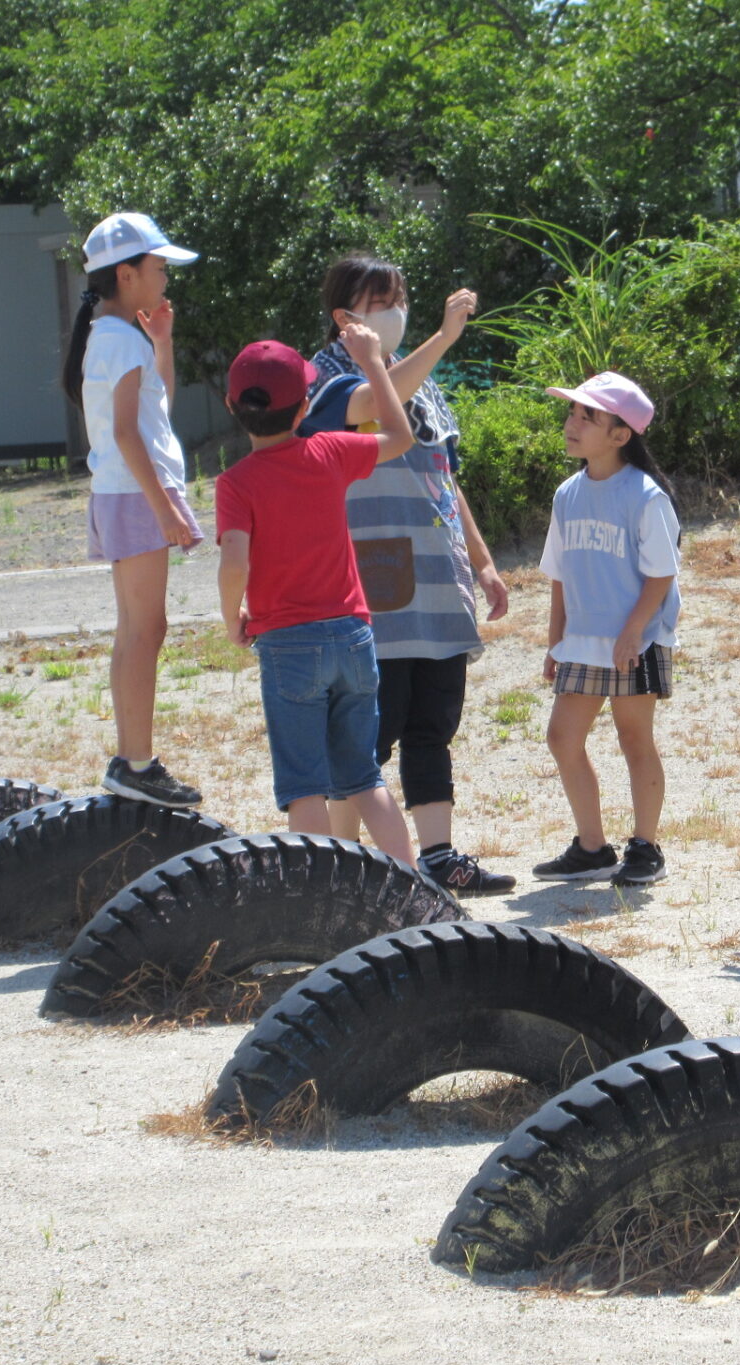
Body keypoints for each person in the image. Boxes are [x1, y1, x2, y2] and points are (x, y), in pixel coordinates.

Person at [298, 255, 514, 894]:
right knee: (368, 734)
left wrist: (482, 561)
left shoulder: (429, 384)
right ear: (345, 316)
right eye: (381, 300)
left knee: (432, 724)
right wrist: (444, 339)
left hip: (437, 586)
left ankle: (439, 857)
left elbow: (444, 478)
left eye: (402, 298)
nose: (398, 311)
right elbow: (377, 397)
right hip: (370, 586)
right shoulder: (327, 376)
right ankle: (343, 866)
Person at [213, 330, 415, 864]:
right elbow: (399, 434)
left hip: (286, 644)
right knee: (364, 778)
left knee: (305, 787)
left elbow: (235, 560)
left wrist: (231, 614)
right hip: (352, 633)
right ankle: (419, 891)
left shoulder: (235, 483)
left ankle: (322, 898)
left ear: (232, 406)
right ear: (306, 405)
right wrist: (372, 361)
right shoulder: (330, 451)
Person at [62, 212, 206, 807]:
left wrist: (164, 344)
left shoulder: (116, 334)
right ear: (126, 274)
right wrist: (166, 506)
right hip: (135, 495)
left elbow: (154, 409)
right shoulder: (118, 337)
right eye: (158, 265)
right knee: (147, 629)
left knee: (136, 629)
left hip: (120, 494)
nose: (166, 273)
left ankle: (132, 759)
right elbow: (127, 433)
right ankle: (137, 763)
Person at [533, 373, 680, 888]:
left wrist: (633, 631)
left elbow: (662, 573)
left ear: (622, 436)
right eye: (573, 413)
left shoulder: (644, 496)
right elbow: (559, 575)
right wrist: (557, 642)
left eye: (587, 416)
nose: (573, 423)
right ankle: (592, 848)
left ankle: (646, 847)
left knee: (634, 738)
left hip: (633, 640)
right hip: (583, 639)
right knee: (561, 738)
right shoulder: (567, 495)